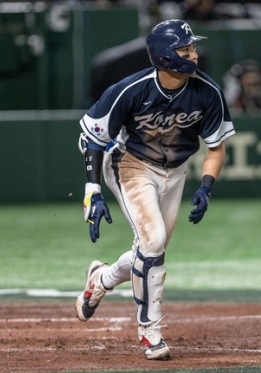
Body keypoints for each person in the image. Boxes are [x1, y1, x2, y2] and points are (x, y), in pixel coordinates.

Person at [74, 19, 235, 361]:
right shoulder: (130, 90)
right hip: (129, 164)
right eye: (185, 48)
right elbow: (92, 138)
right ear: (164, 55)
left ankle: (100, 278)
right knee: (153, 243)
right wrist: (93, 189)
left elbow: (216, 148)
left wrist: (206, 187)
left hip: (175, 171)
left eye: (191, 47)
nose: (193, 53)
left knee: (149, 249)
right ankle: (150, 331)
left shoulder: (208, 91)